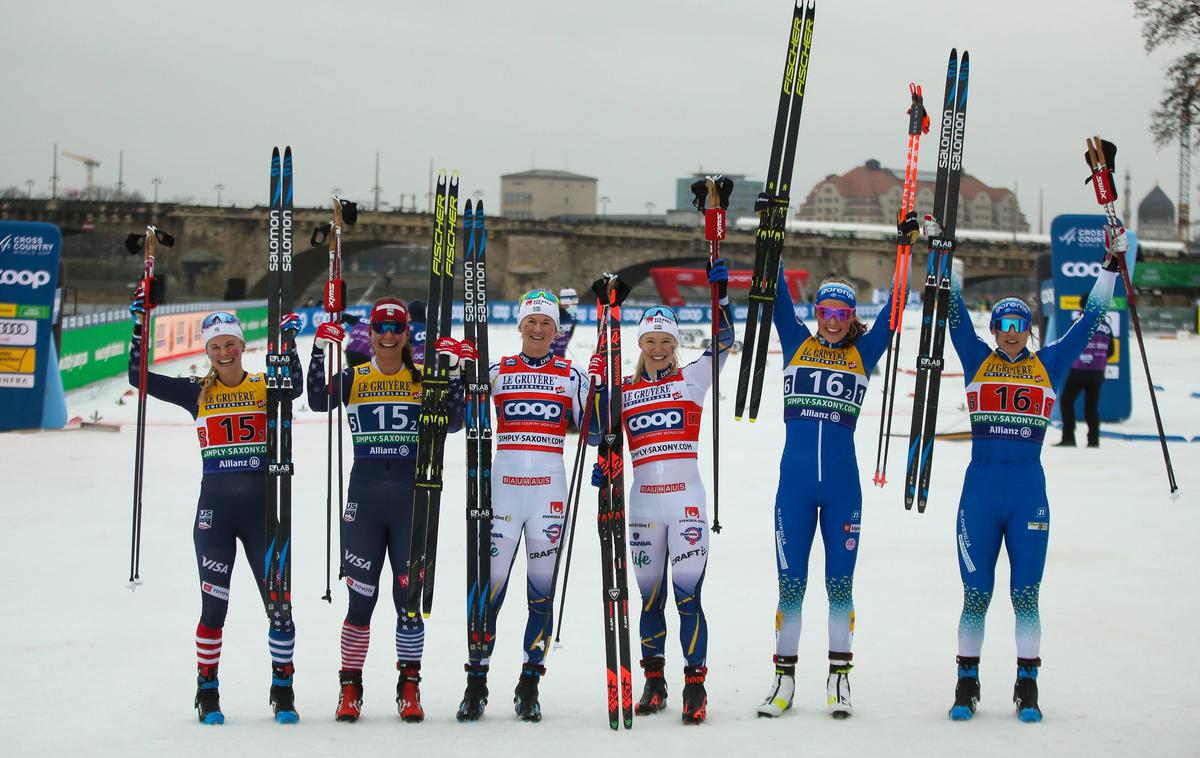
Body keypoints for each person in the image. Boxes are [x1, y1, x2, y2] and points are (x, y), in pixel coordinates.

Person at [943, 226, 1122, 723]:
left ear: (1028, 330)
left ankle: (1027, 684)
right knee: (975, 593)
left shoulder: (1049, 363)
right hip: (979, 491)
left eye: (1019, 324)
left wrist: (1109, 265)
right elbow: (953, 313)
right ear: (995, 328)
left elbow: (1091, 320)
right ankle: (966, 681)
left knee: (1025, 592)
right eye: (1003, 324)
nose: (1011, 331)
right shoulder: (977, 358)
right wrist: (943, 257)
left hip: (1027, 493)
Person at [126, 297, 303, 725]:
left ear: (242, 346)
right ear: (207, 353)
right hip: (215, 516)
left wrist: (292, 344)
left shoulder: (265, 386)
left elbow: (295, 386)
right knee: (213, 610)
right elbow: (138, 377)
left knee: (279, 607)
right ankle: (207, 691)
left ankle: (282, 690)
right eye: (215, 348)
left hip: (264, 513)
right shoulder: (196, 392)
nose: (224, 353)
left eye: (230, 345)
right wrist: (139, 329)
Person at [307, 298, 464, 723]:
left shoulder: (422, 378)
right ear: (371, 333)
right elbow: (319, 402)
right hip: (366, 499)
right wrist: (318, 351)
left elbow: (453, 422)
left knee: (407, 602)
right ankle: (350, 687)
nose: (389, 335)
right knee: (361, 601)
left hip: (412, 500)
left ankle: (408, 685)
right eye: (381, 327)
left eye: (396, 327)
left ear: (407, 332)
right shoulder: (356, 375)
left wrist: (454, 375)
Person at [591, 260, 732, 724]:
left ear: (675, 345)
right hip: (644, 506)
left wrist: (722, 297)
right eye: (650, 342)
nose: (657, 349)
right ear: (640, 345)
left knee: (688, 595)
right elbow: (597, 431)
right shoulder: (625, 390)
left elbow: (726, 342)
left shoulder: (692, 378)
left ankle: (696, 686)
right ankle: (654, 682)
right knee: (649, 598)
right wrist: (604, 459)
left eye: (665, 342)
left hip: (687, 502)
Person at [456, 289, 603, 723]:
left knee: (540, 595)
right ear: (520, 326)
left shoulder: (570, 374)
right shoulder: (498, 371)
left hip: (548, 494)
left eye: (547, 324)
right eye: (532, 322)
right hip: (501, 493)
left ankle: (529, 683)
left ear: (557, 331)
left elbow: (593, 433)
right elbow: (458, 418)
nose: (538, 330)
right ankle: (476, 683)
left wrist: (596, 387)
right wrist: (458, 374)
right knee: (488, 595)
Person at [757, 265, 897, 720]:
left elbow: (895, 310)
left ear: (852, 315)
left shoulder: (865, 351)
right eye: (825, 311)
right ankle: (784, 680)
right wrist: (769, 238)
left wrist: (905, 252)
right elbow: (774, 293)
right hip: (793, 487)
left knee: (840, 585)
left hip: (842, 488)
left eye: (842, 312)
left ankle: (839, 679)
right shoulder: (797, 342)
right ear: (815, 312)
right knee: (790, 586)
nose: (833, 320)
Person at [1055, 309, 1113, 448]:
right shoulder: (1106, 326)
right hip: (1097, 372)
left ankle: (1069, 437)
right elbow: (1111, 351)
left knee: (1066, 401)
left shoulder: (1079, 323)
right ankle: (1093, 440)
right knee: (1091, 408)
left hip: (1079, 370)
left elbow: (1069, 345)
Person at [550, 287, 579, 359]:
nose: (574, 307)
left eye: (575, 304)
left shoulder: (573, 316)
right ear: (564, 304)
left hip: (560, 356)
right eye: (573, 304)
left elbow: (569, 335)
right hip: (546, 356)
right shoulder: (555, 313)